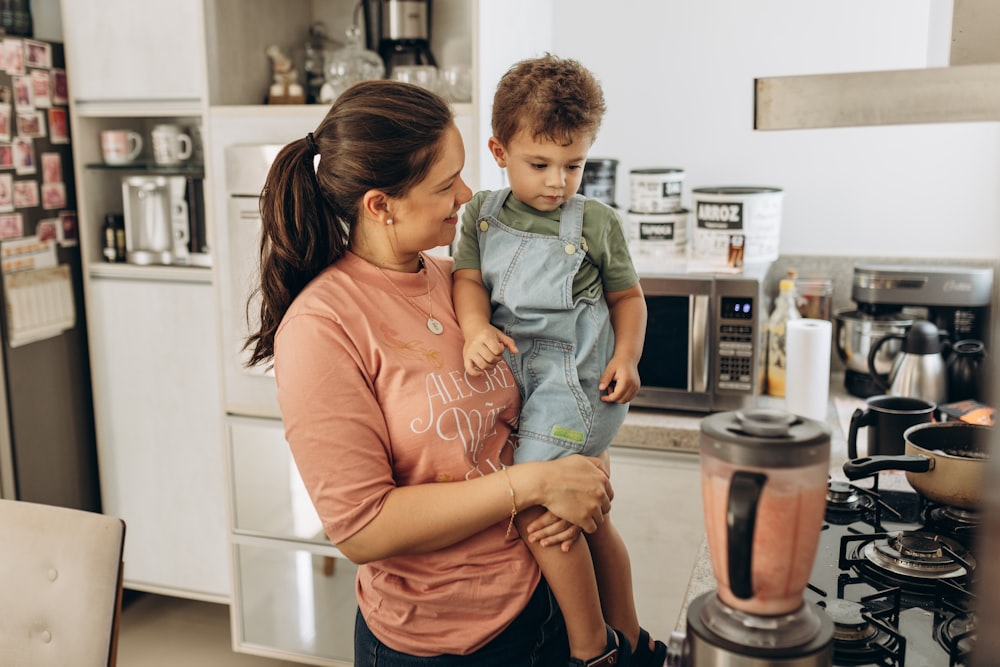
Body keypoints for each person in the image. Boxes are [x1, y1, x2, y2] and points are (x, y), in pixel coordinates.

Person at [244, 79, 620, 665]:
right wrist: (539, 484)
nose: (468, 195)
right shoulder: (323, 326)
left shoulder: (463, 283)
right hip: (444, 641)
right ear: (380, 204)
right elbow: (363, 529)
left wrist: (581, 466)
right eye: (446, 184)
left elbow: (545, 393)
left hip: (544, 603)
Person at [452, 54, 665, 667]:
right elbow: (468, 281)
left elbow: (630, 299)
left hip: (577, 385)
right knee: (591, 522)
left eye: (575, 165)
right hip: (520, 378)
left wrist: (628, 357)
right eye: (539, 164)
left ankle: (590, 649)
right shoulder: (479, 215)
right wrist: (473, 329)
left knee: (539, 513)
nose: (558, 182)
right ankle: (632, 640)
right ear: (498, 150)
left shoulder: (595, 221)